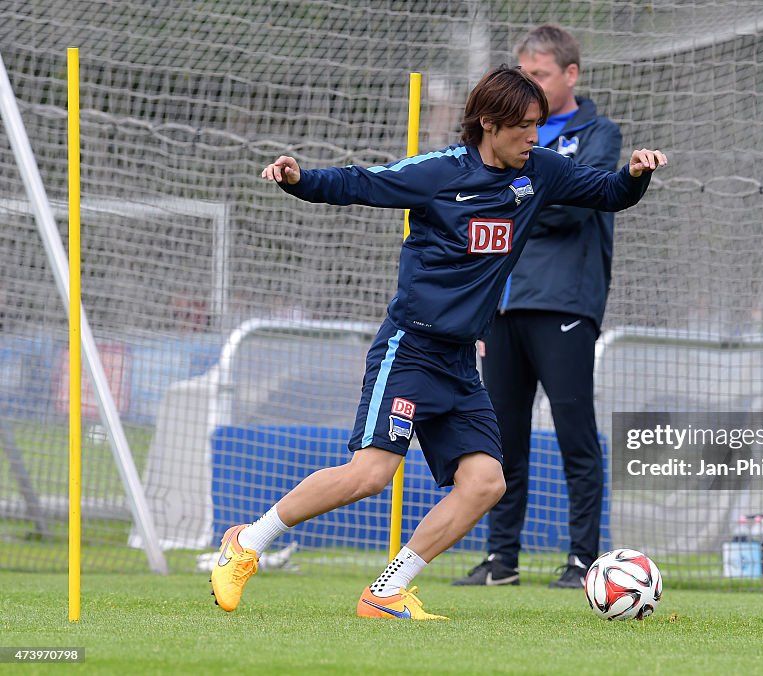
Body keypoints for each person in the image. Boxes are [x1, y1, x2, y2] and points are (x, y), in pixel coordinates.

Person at [210, 64, 667, 620]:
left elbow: (610, 192)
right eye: (524, 126)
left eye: (538, 126)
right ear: (487, 124)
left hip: (460, 362)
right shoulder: (439, 172)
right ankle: (247, 543)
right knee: (370, 475)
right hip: (410, 350)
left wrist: (636, 173)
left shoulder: (541, 171)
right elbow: (363, 182)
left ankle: (385, 593)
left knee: (484, 483)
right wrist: (300, 180)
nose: (534, 137)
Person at [452, 25, 621, 589]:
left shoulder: (598, 133)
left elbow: (576, 205)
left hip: (565, 304)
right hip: (502, 305)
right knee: (500, 440)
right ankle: (502, 562)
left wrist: (514, 200)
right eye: (526, 76)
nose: (534, 87)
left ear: (571, 75)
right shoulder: (506, 134)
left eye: (543, 75)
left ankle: (583, 561)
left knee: (576, 433)